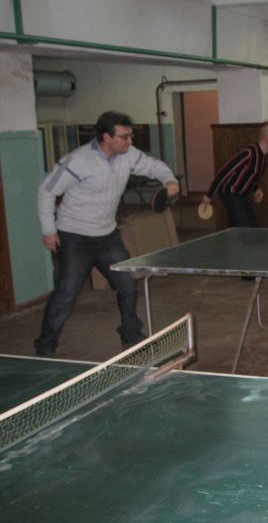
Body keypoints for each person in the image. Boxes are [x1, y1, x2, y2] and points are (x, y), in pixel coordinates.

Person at [35, 110, 179, 356]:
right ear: (106, 136)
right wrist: (49, 230)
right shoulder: (78, 160)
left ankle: (131, 334)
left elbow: (154, 166)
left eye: (131, 136)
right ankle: (45, 346)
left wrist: (169, 180)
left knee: (127, 287)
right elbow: (47, 191)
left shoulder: (128, 154)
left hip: (107, 236)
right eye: (124, 137)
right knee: (66, 294)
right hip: (75, 237)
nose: (130, 141)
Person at [202, 124, 268, 228]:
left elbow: (251, 176)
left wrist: (256, 189)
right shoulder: (249, 153)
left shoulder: (264, 157)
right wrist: (209, 195)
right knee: (242, 225)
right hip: (229, 192)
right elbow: (224, 172)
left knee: (252, 225)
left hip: (242, 193)